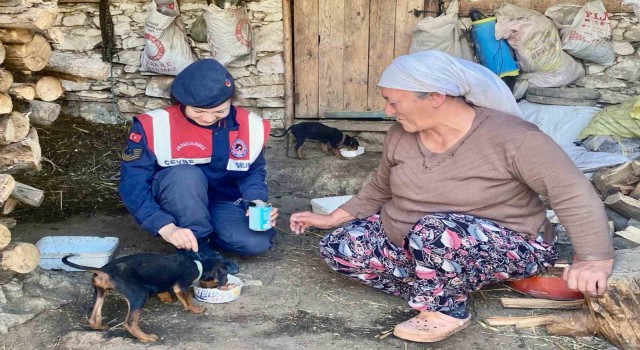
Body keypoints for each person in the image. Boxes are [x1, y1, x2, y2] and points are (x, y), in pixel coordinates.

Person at [289, 50, 614, 343]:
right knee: (339, 246)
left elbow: (572, 193)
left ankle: (444, 308)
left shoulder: (514, 139)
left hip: (507, 243)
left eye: (393, 101)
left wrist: (593, 260)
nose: (388, 111)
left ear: (435, 96)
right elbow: (380, 187)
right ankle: (441, 280)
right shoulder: (400, 135)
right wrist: (333, 217)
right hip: (418, 242)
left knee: (435, 232)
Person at [119, 58, 279, 274]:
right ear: (180, 102)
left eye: (219, 111)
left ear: (231, 101)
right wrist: (164, 226)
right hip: (177, 198)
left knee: (256, 243)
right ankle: (196, 245)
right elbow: (133, 184)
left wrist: (256, 202)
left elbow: (253, 171)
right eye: (198, 111)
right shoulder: (153, 126)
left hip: (223, 200)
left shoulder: (250, 125)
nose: (208, 118)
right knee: (185, 176)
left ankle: (207, 230)